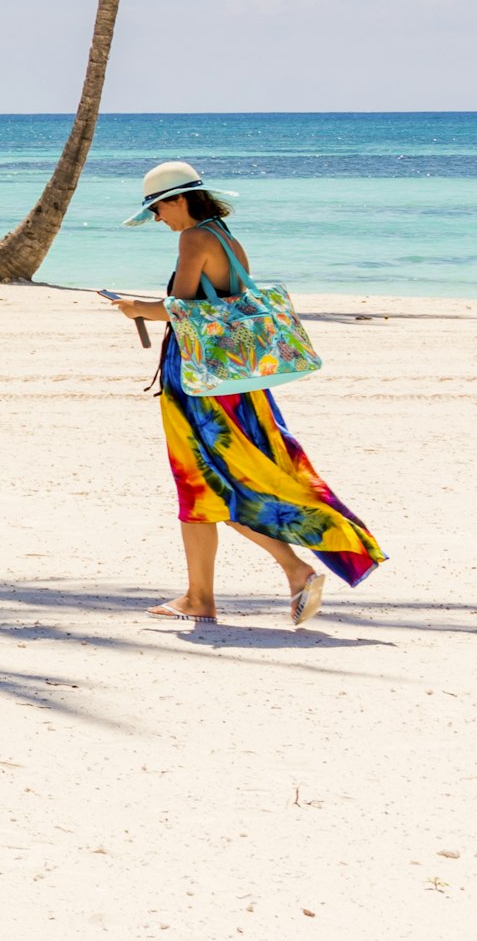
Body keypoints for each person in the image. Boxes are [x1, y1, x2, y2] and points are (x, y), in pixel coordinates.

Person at [104, 160, 382, 627]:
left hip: (197, 381)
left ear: (178, 200)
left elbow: (183, 310)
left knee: (206, 483)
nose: (157, 219)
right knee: (210, 484)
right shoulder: (227, 239)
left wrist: (135, 307)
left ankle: (290, 571)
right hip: (237, 381)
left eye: (157, 209)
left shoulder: (193, 237)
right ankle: (200, 597)